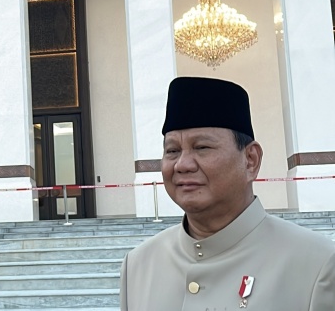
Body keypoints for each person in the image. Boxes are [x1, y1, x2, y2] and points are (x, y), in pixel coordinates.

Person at [120, 77, 335, 310]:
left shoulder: (316, 265)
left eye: (202, 147)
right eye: (172, 150)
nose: (182, 164)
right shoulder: (139, 265)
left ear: (250, 160)